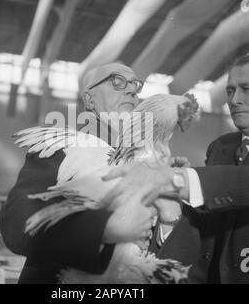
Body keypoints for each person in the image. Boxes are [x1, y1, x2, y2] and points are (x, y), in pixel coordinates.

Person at [0, 62, 154, 283]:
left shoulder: (146, 160)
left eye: (135, 85)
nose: (131, 90)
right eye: (117, 82)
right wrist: (104, 230)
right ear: (89, 100)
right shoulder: (62, 147)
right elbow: (17, 225)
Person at [102, 54, 249, 283]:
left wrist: (178, 180)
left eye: (246, 88)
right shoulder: (221, 148)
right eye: (230, 91)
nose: (235, 99)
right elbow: (207, 239)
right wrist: (172, 213)